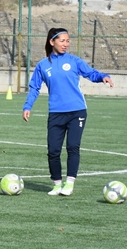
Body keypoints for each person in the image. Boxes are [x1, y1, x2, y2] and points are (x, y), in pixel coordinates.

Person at [23, 27, 113, 196]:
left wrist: (103, 77)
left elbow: (90, 73)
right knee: (53, 150)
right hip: (56, 113)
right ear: (52, 42)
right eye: (62, 40)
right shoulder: (43, 65)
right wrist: (28, 106)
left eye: (68, 41)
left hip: (77, 111)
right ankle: (57, 184)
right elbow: (34, 87)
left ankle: (70, 182)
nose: (66, 44)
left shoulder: (74, 61)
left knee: (72, 147)